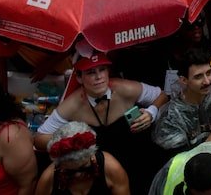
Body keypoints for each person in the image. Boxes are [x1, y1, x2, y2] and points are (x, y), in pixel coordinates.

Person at [36, 53, 169, 194]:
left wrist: (151, 112)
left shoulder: (125, 88)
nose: (98, 77)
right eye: (91, 72)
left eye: (102, 70)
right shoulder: (72, 105)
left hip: (139, 161)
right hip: (103, 171)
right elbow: (39, 139)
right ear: (79, 78)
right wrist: (72, 141)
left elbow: (162, 95)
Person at [152, 48, 211, 159]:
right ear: (184, 80)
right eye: (198, 77)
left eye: (208, 73)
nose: (207, 81)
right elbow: (183, 164)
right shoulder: (171, 118)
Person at [36, 122, 130, 195]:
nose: (78, 175)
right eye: (69, 171)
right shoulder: (48, 179)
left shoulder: (111, 168)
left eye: (84, 167)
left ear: (92, 154)